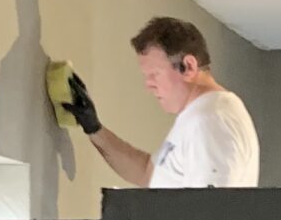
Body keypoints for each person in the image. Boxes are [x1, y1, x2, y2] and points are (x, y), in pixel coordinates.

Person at [55, 16, 260, 189]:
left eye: (155, 74)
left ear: (188, 66)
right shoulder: (199, 117)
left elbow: (212, 212)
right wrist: (94, 129)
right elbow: (146, 173)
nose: (149, 85)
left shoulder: (210, 120)